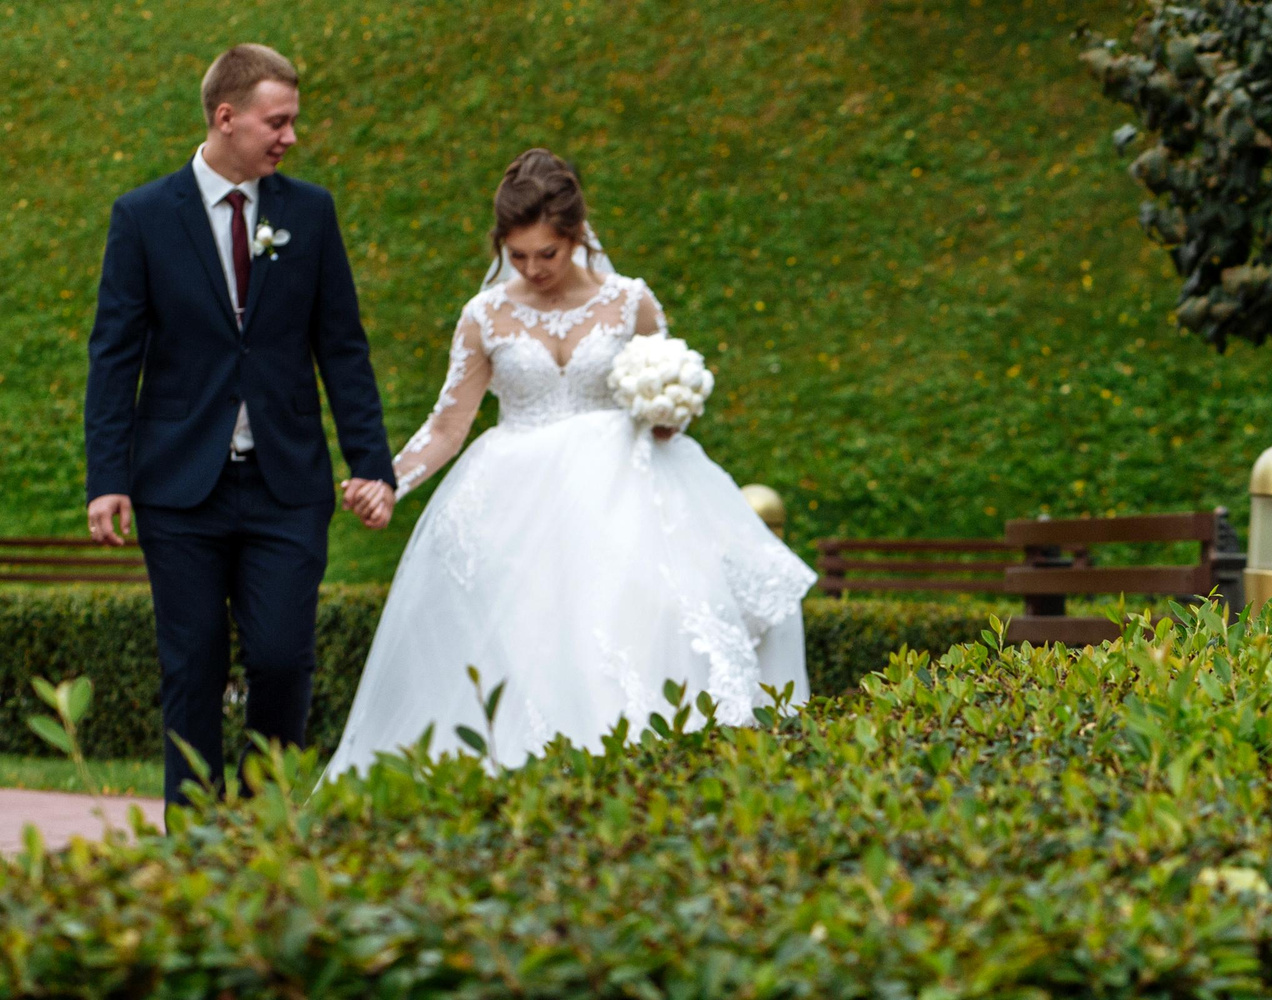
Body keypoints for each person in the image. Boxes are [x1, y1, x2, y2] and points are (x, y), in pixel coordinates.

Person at [322, 150, 813, 779]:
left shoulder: (631, 303)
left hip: (624, 498)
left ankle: (648, 778)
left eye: (546, 254)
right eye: (518, 255)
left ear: (576, 237)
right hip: (516, 506)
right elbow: (449, 424)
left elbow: (665, 394)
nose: (532, 269)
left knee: (639, 628)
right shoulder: (485, 316)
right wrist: (387, 481)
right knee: (527, 645)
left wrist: (669, 413)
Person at [83, 43, 398, 808]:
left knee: (284, 658)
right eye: (277, 121)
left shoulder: (309, 212)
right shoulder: (143, 218)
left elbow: (343, 348)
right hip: (178, 489)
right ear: (227, 118)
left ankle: (267, 832)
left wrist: (373, 465)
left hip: (286, 485)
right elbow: (114, 356)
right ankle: (193, 849)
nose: (290, 136)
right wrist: (108, 479)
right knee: (191, 667)